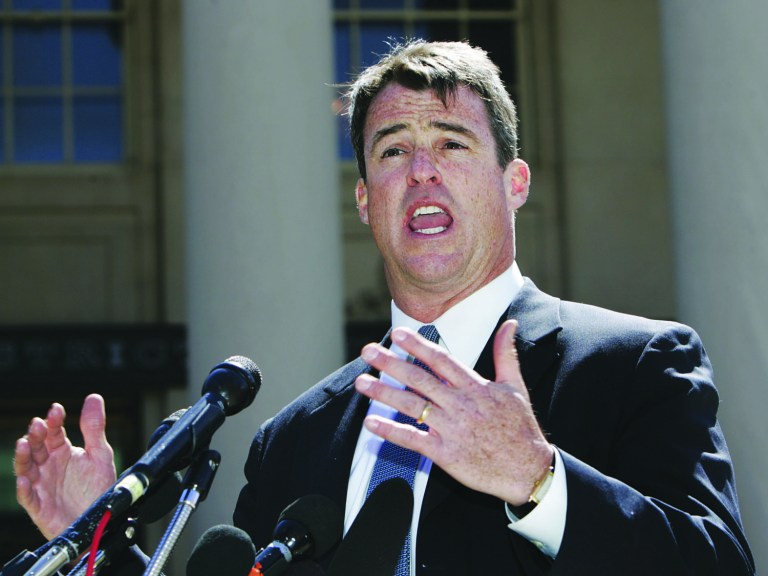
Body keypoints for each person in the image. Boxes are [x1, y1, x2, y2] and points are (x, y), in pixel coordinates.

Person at [14, 40, 754, 575]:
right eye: (393, 150)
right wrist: (98, 543)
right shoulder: (294, 438)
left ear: (516, 181)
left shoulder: (637, 364)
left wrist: (539, 481)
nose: (423, 170)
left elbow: (714, 564)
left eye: (453, 144)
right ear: (366, 199)